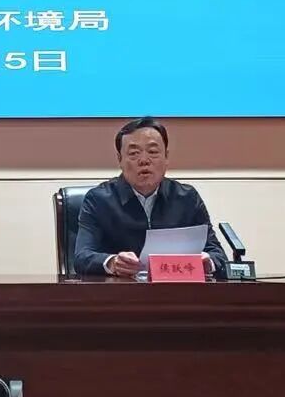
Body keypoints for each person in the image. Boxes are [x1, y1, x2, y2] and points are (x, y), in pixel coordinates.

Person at [72, 116, 226, 279]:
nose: (144, 160)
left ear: (166, 157)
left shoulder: (187, 198)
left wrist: (207, 262)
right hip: (121, 291)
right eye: (134, 153)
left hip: (177, 290)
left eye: (152, 152)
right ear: (120, 160)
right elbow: (82, 257)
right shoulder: (98, 200)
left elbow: (218, 254)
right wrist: (112, 262)